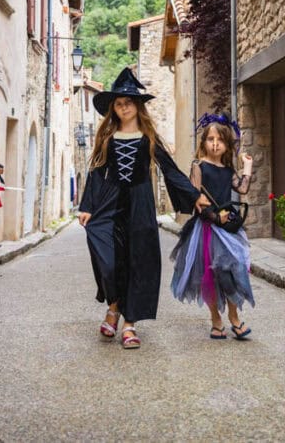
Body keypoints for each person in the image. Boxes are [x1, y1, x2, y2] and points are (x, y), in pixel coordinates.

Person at [77, 68, 210, 350]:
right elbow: (97, 172)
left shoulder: (148, 137)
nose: (123, 106)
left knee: (139, 261)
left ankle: (129, 324)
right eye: (118, 102)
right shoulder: (107, 136)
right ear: (113, 107)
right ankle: (113, 307)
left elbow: (171, 171)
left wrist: (194, 195)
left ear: (137, 105)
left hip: (140, 203)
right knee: (109, 259)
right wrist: (88, 205)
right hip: (110, 204)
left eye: (128, 101)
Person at [170, 113, 255, 340]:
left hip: (229, 229)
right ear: (204, 142)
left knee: (233, 270)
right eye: (210, 139)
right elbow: (195, 199)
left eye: (220, 140)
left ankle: (234, 319)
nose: (215, 144)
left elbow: (243, 190)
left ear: (227, 144)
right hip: (208, 228)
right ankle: (217, 321)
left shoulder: (227, 170)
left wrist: (247, 167)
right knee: (211, 275)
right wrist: (215, 218)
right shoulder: (199, 166)